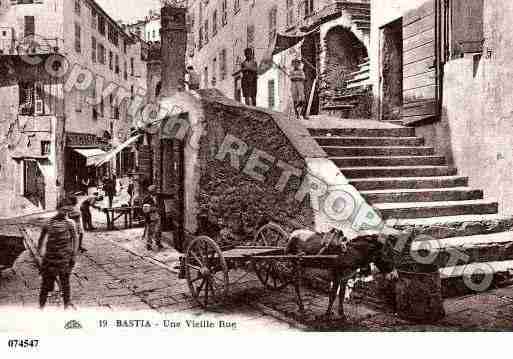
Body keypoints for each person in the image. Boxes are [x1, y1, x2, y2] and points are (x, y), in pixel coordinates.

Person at [37, 196, 78, 310]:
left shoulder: (70, 223)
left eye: (68, 211)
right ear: (58, 208)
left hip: (64, 258)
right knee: (45, 286)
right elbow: (41, 239)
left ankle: (66, 306)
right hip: (50, 259)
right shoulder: (48, 223)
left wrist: (74, 256)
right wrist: (39, 253)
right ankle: (41, 308)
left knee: (65, 284)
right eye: (63, 210)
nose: (65, 213)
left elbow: (76, 239)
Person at [142, 185, 163, 251]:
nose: (155, 192)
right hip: (150, 217)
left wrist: (160, 210)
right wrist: (153, 209)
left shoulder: (158, 197)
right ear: (151, 192)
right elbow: (144, 209)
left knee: (158, 230)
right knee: (150, 231)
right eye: (154, 191)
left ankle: (158, 242)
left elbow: (161, 205)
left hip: (157, 215)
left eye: (155, 190)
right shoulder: (146, 199)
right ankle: (149, 244)